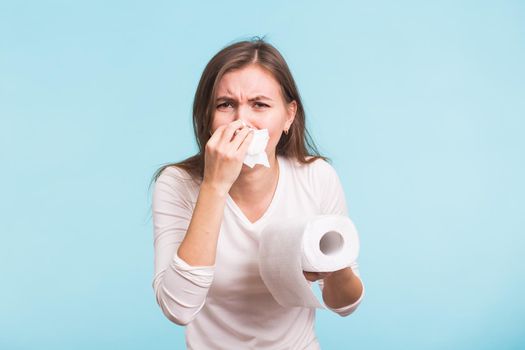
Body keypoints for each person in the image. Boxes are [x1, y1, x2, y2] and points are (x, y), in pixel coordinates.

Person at [150, 37, 365, 349]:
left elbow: (346, 305)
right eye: (226, 105)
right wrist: (214, 186)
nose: (242, 121)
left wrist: (332, 264)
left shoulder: (317, 176)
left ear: (289, 116)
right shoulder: (177, 183)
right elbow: (178, 307)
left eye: (259, 105)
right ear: (208, 118)